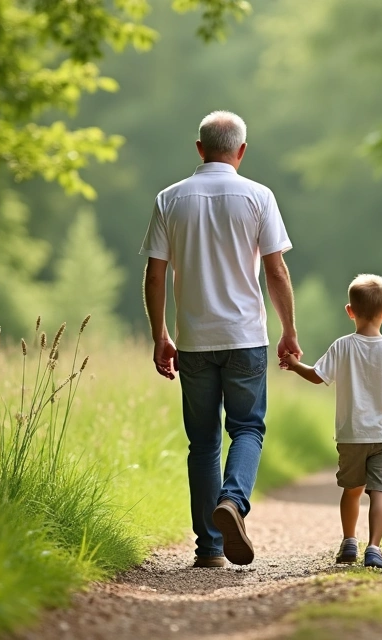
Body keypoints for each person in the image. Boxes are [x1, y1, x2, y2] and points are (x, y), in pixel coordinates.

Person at [140, 110, 301, 568]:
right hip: (245, 336)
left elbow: (155, 273)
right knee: (247, 427)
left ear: (199, 148)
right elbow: (275, 269)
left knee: (204, 442)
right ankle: (233, 501)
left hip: (193, 340)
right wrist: (288, 330)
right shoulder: (258, 196)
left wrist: (160, 334)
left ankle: (209, 548)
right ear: (241, 151)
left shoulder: (169, 199)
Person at [280, 274, 382, 569]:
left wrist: (293, 365)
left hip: (352, 434)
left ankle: (349, 541)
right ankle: (374, 548)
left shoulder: (342, 346)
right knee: (380, 492)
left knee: (352, 489)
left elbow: (317, 376)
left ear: (349, 311)